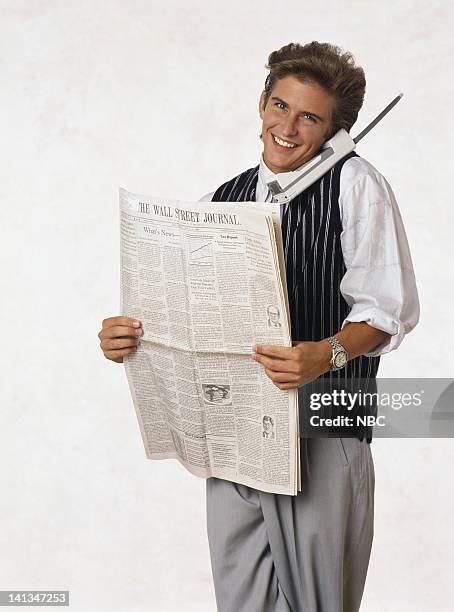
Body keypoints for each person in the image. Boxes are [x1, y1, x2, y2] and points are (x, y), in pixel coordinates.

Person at [98, 41, 419, 612]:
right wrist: (127, 337)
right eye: (279, 106)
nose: (287, 127)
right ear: (261, 103)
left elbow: (387, 311)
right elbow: (181, 308)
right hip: (236, 435)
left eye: (309, 117)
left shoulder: (355, 183)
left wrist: (328, 354)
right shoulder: (220, 200)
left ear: (334, 131)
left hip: (325, 425)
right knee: (242, 603)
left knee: (317, 603)